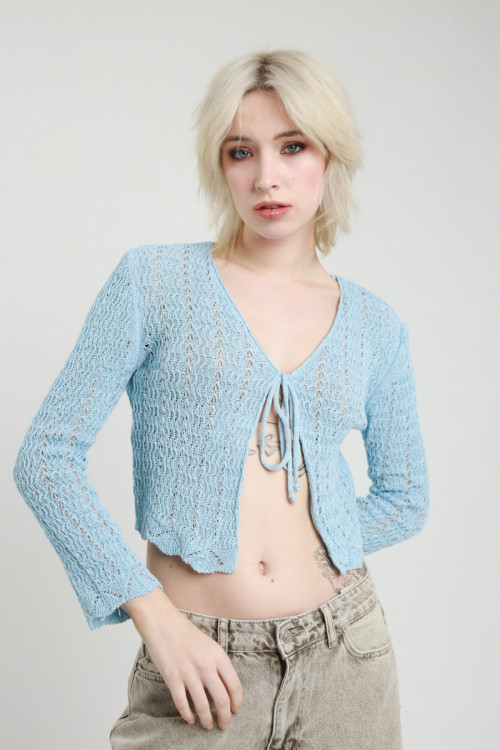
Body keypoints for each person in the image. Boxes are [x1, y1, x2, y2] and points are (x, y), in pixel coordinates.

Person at [13, 49, 430, 749]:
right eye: (242, 152)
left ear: (330, 157)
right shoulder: (153, 283)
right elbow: (45, 458)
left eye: (293, 146)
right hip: (198, 661)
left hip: (347, 656)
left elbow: (406, 495)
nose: (266, 176)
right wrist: (155, 615)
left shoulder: (374, 325)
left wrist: (317, 545)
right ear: (221, 166)